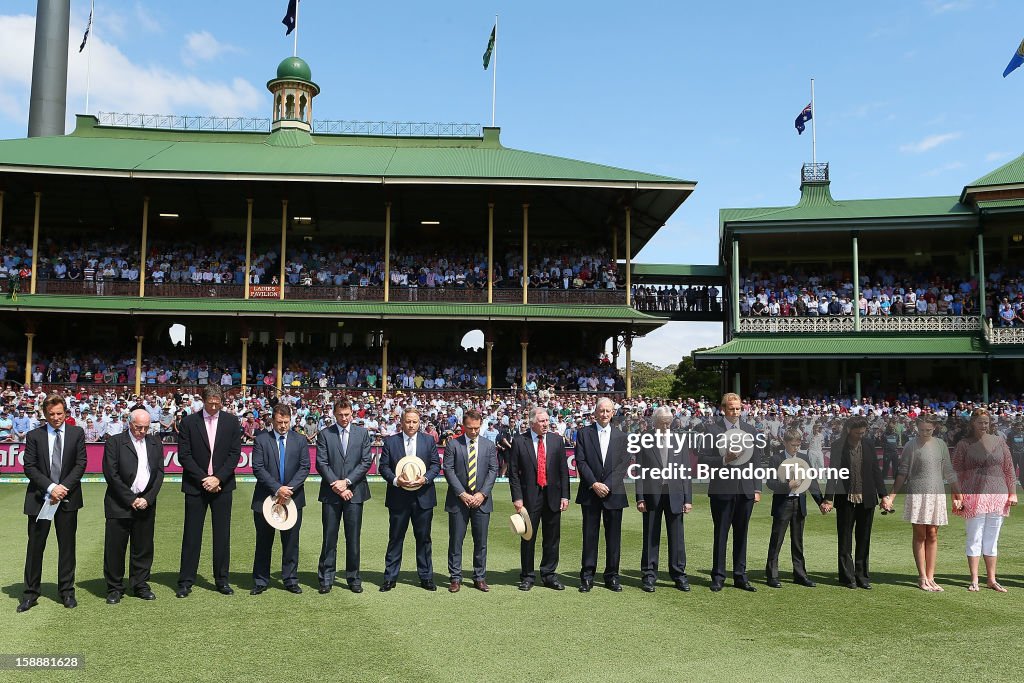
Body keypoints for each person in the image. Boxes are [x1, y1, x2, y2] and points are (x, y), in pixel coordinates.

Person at [18, 394, 87, 612]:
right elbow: (29, 467)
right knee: (35, 547)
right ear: (45, 414)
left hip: (68, 499)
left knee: (67, 547)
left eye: (59, 413)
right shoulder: (34, 435)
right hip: (40, 499)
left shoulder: (77, 433)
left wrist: (62, 488)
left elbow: (81, 463)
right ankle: (30, 594)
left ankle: (66, 592)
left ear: (66, 412)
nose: (56, 418)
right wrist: (50, 488)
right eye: (51, 414)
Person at [175, 384, 242, 598]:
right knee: (192, 535)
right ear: (203, 400)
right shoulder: (188, 422)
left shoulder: (232, 422)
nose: (214, 405)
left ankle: (222, 580)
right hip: (196, 486)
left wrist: (218, 478)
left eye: (218, 402)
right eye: (211, 402)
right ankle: (186, 581)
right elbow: (184, 456)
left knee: (222, 535)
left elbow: (234, 455)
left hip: (222, 487)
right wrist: (205, 479)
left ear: (222, 401)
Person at [882, 414, 960, 591]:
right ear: (917, 427)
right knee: (920, 535)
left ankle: (931, 577)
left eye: (929, 429)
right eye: (922, 429)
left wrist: (957, 492)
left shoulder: (941, 445)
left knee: (932, 534)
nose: (925, 432)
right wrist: (892, 496)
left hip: (937, 493)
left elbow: (948, 470)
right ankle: (922, 577)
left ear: (935, 428)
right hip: (917, 492)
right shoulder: (911, 445)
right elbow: (902, 472)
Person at [696, 392, 764, 592]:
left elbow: (756, 462)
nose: (735, 412)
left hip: (746, 491)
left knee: (742, 535)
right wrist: (724, 459)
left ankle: (740, 576)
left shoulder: (750, 430)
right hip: (721, 491)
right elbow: (702, 459)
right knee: (721, 534)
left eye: (738, 408)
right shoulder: (712, 430)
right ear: (723, 409)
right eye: (732, 408)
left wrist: (757, 488)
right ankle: (718, 576)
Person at [101, 408, 164, 604]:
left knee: (143, 547)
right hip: (119, 504)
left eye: (146, 428)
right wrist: (131, 499)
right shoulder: (115, 442)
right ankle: (115, 587)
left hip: (146, 503)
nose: (142, 431)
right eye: (138, 427)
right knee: (115, 548)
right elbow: (111, 474)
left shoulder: (155, 442)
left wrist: (148, 498)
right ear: (129, 423)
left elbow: (159, 473)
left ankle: (140, 584)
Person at [952, 409, 1018, 592]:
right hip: (973, 495)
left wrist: (1012, 492)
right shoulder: (964, 444)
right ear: (973, 423)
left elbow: (1009, 469)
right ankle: (974, 579)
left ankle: (991, 579)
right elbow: (955, 472)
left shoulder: (999, 442)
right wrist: (957, 495)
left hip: (998, 495)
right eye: (980, 422)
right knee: (974, 537)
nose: (983, 425)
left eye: (986, 422)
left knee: (992, 538)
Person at [823, 416, 892, 589]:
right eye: (857, 432)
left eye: (863, 432)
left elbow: (876, 471)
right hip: (845, 498)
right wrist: (828, 499)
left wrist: (884, 495)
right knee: (845, 539)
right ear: (848, 430)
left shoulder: (868, 444)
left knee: (864, 538)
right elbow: (833, 474)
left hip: (867, 498)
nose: (861, 435)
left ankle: (861, 575)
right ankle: (847, 576)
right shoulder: (838, 446)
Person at [378, 407, 440, 591]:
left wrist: (426, 478)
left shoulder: (429, 441)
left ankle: (426, 577)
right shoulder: (390, 442)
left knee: (423, 538)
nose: (411, 425)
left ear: (419, 422)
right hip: (398, 498)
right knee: (395, 538)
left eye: (414, 421)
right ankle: (390, 577)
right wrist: (397, 480)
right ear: (402, 422)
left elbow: (436, 465)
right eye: (408, 421)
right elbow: (384, 467)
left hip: (424, 498)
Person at [250, 404, 310, 595]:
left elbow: (305, 467)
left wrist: (288, 489)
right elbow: (258, 468)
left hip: (293, 499)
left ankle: (290, 579)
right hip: (265, 499)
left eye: (286, 422)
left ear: (290, 420)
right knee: (263, 542)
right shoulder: (261, 440)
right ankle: (261, 580)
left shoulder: (300, 440)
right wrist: (277, 489)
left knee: (291, 542)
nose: (283, 426)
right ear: (272, 421)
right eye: (279, 422)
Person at [508, 407, 570, 591]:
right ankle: (527, 576)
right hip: (529, 498)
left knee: (552, 538)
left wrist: (565, 495)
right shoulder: (520, 441)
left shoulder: (557, 440)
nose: (546, 424)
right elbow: (513, 474)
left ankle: (549, 575)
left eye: (547, 421)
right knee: (528, 537)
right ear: (532, 422)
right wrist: (517, 498)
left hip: (553, 496)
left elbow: (563, 471)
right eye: (542, 421)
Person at [316, 399, 373, 594]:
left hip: (355, 493)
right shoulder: (325, 434)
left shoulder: (363, 433)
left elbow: (366, 462)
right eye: (340, 415)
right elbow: (321, 463)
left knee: (353, 538)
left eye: (347, 414)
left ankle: (353, 577)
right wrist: (338, 485)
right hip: (331, 494)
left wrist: (347, 482)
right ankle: (326, 577)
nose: (344, 418)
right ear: (334, 414)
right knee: (329, 537)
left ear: (352, 413)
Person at [575, 397, 630, 592]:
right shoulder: (583, 433)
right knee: (590, 536)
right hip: (590, 493)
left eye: (608, 411)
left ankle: (612, 576)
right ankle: (587, 576)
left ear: (613, 413)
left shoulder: (621, 436)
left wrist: (606, 485)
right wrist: (594, 484)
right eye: (601, 411)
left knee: (613, 537)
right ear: (595, 412)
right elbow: (580, 462)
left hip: (614, 493)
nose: (605, 414)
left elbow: (623, 464)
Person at [635, 406, 692, 592]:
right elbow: (640, 471)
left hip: (675, 493)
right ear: (655, 422)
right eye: (662, 423)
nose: (665, 426)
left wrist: (688, 498)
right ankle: (649, 575)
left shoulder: (679, 439)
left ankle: (678, 574)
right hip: (652, 493)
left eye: (668, 422)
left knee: (677, 537)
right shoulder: (644, 438)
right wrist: (640, 497)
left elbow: (685, 471)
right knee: (651, 535)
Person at [443, 409, 499, 592]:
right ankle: (455, 578)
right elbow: (448, 470)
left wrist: (482, 494)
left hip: (481, 501)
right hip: (458, 501)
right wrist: (462, 493)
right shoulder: (453, 444)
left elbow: (493, 471)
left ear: (480, 425)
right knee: (456, 540)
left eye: (476, 428)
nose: (473, 431)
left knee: (481, 541)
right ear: (463, 426)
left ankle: (479, 577)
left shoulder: (489, 445)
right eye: (469, 428)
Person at [764, 429, 826, 588]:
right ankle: (772, 575)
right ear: (785, 443)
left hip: (799, 503)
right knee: (776, 541)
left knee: (798, 542)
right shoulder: (776, 458)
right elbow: (770, 483)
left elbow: (812, 483)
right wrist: (787, 485)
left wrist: (821, 502)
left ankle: (800, 575)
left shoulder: (804, 458)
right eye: (793, 445)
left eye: (798, 445)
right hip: (783, 504)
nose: (796, 448)